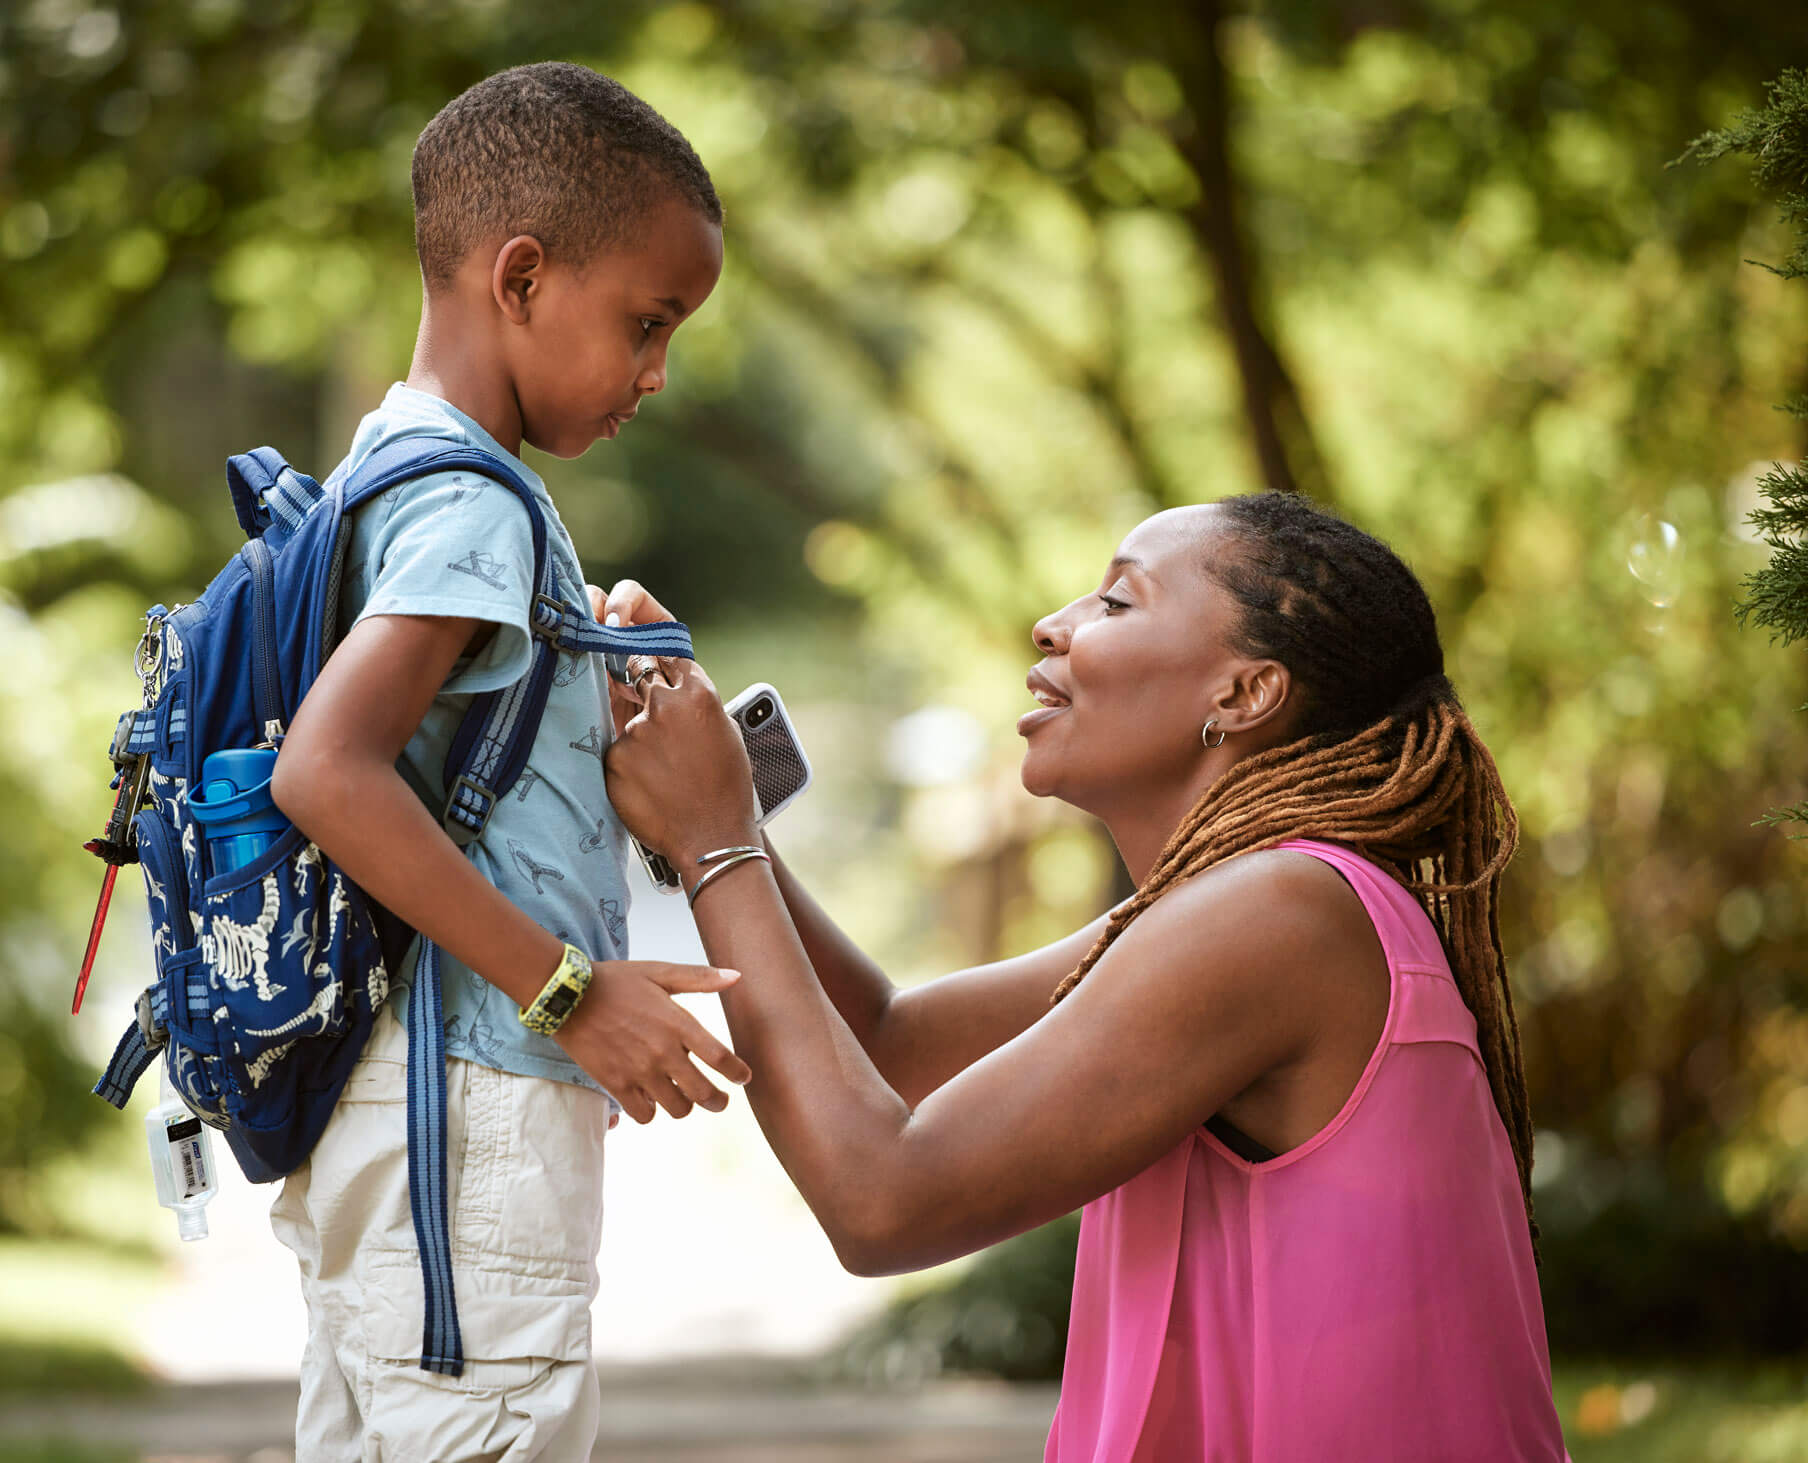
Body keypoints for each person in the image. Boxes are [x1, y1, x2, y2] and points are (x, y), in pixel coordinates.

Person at [604, 491, 1571, 1461]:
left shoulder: (1282, 911)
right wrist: (725, 802)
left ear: (1241, 694)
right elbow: (891, 1046)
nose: (1051, 622)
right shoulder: (1231, 907)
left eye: (1116, 601)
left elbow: (881, 1200)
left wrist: (715, 841)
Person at [265, 63, 747, 1463]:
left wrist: (577, 669)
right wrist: (572, 989)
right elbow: (329, 770)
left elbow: (431, 769)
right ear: (521, 277)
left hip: (398, 1113)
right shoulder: (475, 504)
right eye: (646, 323)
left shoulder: (390, 464)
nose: (656, 370)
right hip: (465, 1119)